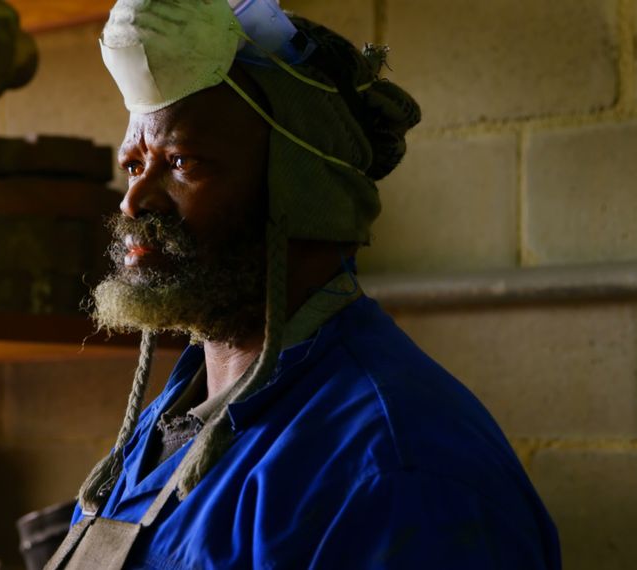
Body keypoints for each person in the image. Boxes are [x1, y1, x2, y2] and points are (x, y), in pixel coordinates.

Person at [47, 1, 561, 568]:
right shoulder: (172, 419)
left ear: (302, 192)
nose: (133, 199)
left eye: (182, 162)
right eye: (134, 164)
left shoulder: (395, 470)